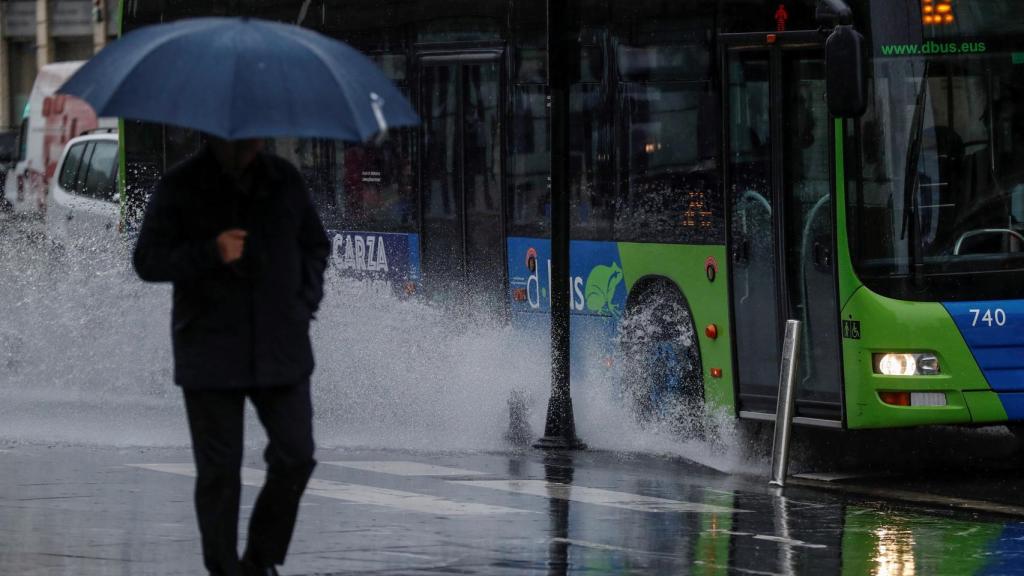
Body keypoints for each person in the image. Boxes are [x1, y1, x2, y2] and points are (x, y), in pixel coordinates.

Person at [133, 137, 331, 576]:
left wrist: (303, 305)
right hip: (209, 350)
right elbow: (147, 260)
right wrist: (211, 252)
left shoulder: (284, 181)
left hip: (281, 348)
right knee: (219, 474)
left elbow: (316, 246)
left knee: (296, 454)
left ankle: (259, 560)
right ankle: (224, 570)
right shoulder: (180, 186)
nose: (250, 142)